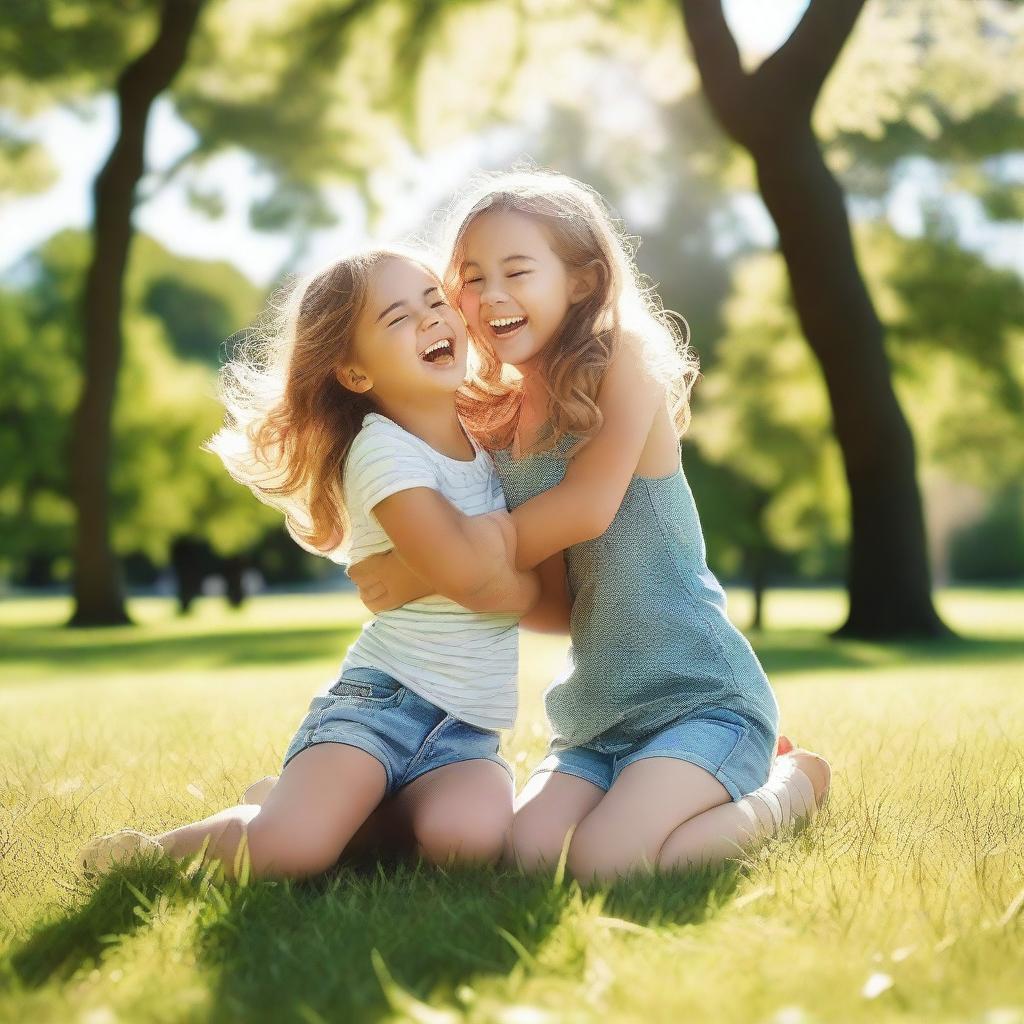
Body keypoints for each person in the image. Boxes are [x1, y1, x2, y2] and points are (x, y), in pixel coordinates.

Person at [349, 172, 831, 882]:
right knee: (529, 858)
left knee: (608, 864)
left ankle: (792, 787)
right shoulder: (501, 422)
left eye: (517, 271)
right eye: (472, 278)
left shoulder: (624, 364)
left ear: (582, 281)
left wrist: (422, 568)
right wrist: (452, 578)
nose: (489, 297)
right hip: (595, 720)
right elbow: (548, 604)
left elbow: (587, 506)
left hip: (702, 698)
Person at [79, 248, 539, 880]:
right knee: (289, 854)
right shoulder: (383, 451)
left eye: (435, 300)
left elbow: (520, 585)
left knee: (469, 847)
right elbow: (484, 583)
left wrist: (495, 572)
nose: (432, 319)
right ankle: (162, 851)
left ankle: (318, 809)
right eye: (398, 317)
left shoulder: (486, 444)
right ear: (354, 374)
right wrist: (508, 557)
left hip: (466, 732)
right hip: (379, 706)